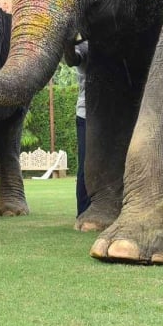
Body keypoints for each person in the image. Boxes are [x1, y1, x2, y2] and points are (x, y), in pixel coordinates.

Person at [70, 40, 90, 216]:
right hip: (86, 114)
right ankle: (83, 210)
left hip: (108, 114)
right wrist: (68, 42)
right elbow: (71, 59)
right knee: (85, 164)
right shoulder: (83, 46)